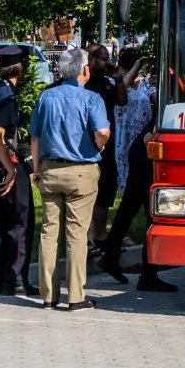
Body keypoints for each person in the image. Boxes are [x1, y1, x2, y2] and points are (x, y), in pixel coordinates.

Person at [28, 46, 112, 311]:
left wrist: (37, 168)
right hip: (81, 171)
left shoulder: (46, 97)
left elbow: (35, 136)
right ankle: (76, 296)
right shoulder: (92, 99)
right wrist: (100, 144)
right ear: (84, 70)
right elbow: (102, 131)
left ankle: (48, 296)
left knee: (48, 233)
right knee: (76, 234)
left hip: (50, 170)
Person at [99, 48, 176, 292]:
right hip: (139, 151)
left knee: (130, 209)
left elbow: (155, 103)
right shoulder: (120, 84)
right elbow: (121, 92)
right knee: (153, 214)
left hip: (142, 149)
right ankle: (148, 274)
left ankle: (111, 258)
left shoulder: (152, 89)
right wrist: (136, 68)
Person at [0, 47, 33, 297]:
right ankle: (15, 280)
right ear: (20, 66)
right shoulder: (7, 96)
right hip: (8, 162)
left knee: (0, 223)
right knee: (19, 222)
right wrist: (11, 169)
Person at [85, 43, 121, 253]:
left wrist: (118, 79)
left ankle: (100, 236)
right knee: (89, 193)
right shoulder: (85, 83)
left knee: (106, 191)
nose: (108, 62)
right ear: (91, 60)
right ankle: (89, 238)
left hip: (107, 146)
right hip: (90, 146)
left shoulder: (107, 83)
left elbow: (121, 100)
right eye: (104, 59)